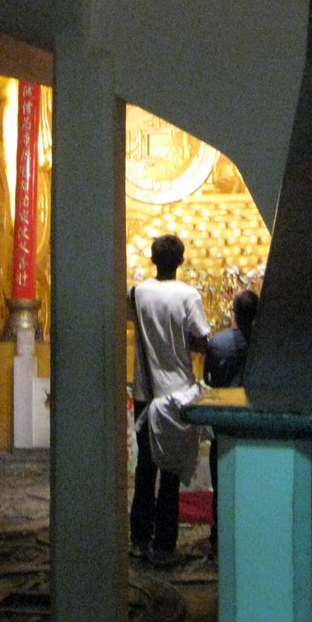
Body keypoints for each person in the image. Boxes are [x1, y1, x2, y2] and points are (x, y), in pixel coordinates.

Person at [128, 234, 210, 566]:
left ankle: (139, 537)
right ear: (181, 261)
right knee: (171, 470)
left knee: (145, 467)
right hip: (178, 393)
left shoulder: (137, 293)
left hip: (146, 393)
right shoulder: (188, 295)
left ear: (152, 259)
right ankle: (164, 543)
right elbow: (201, 339)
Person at [203, 287, 259, 557]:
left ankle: (219, 536)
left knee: (221, 480)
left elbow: (209, 380)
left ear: (233, 312)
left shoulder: (217, 344)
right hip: (254, 422)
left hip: (225, 421)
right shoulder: (265, 344)